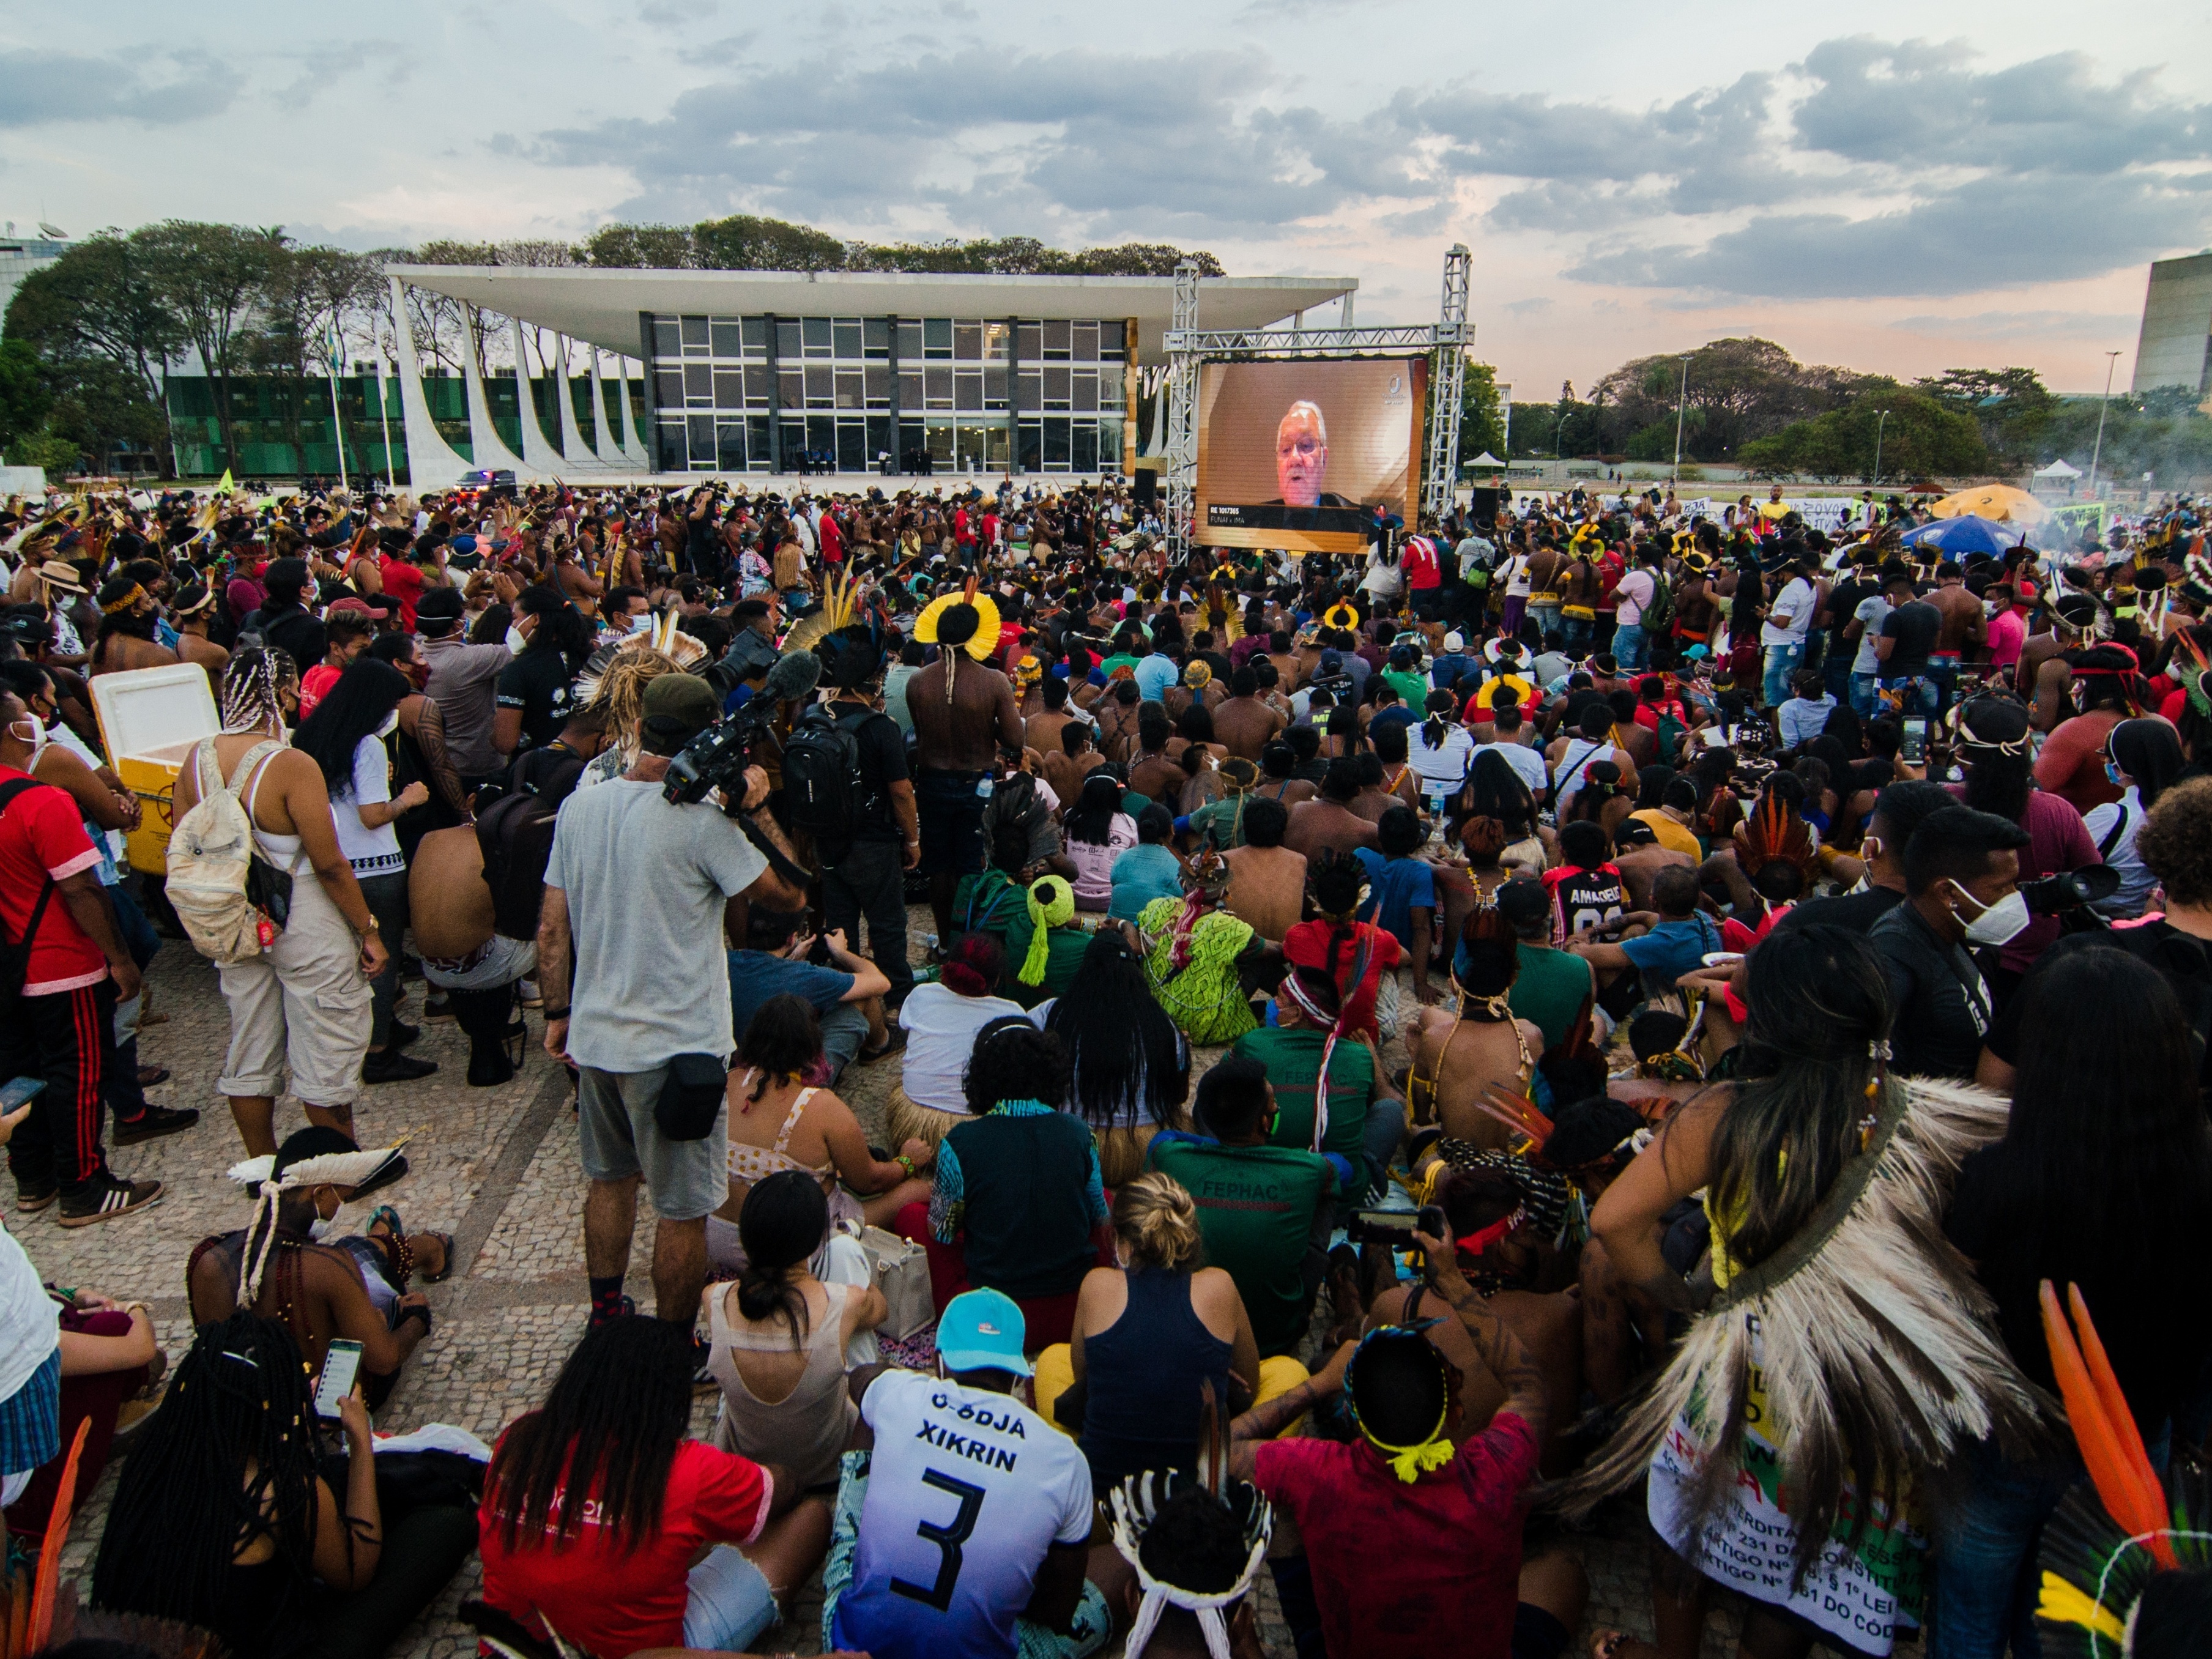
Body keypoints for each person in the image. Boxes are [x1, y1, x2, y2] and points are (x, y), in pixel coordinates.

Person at [1576, 927, 2041, 1659]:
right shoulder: (1925, 1118)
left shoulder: (1726, 1114)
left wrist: (1685, 1296)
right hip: (1855, 1379)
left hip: (1745, 1370)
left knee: (1687, 1525)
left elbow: (1613, 1222)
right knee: (1802, 1561)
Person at [1936, 948, 2212, 1654]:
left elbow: (1953, 1303)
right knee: (2068, 1622)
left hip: (2004, 1435)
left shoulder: (1994, 1177)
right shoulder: (2197, 1178)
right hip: (2130, 1442)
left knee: (1968, 1618)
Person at [537, 671, 803, 1340]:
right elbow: (790, 895)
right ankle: (669, 1345)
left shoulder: (580, 808)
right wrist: (756, 808)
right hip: (679, 1051)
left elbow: (550, 929)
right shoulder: (704, 825)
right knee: (681, 1210)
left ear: (639, 729)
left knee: (609, 1181)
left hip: (597, 1043)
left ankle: (605, 1318)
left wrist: (557, 1013)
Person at [1227, 1238, 1551, 1659]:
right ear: (1454, 1410)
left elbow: (1224, 1448)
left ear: (1354, 1420)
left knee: (1281, 1504)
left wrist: (1319, 1384)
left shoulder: (1318, 1471)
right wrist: (1453, 1280)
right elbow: (1528, 1386)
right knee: (1563, 1571)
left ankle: (1308, 1628)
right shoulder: (1498, 1467)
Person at [91, 1311, 475, 1659]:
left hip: (149, 1645)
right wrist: (360, 1441)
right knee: (446, 1526)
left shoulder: (152, 1458)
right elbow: (355, 1571)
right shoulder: (277, 1489)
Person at [478, 1315, 823, 1658]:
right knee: (811, 1519)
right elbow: (779, 1493)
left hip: (510, 1649)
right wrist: (782, 1476)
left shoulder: (517, 1439)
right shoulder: (684, 1470)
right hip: (644, 1652)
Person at [171, 648, 388, 1159]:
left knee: (250, 1043)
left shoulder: (197, 759)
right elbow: (330, 863)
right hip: (303, 912)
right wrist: (368, 930)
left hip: (233, 915)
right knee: (326, 1041)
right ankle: (336, 1165)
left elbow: (182, 843)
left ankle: (261, 1166)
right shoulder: (289, 764)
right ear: (286, 694)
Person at [823, 1289, 1110, 1659]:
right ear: (1017, 1378)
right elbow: (1056, 1612)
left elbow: (863, 1377)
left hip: (852, 1646)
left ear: (938, 1362)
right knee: (1119, 1566)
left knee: (873, 1413)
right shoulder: (1064, 1459)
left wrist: (917, 1390)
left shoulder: (902, 1394)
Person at [0, 687, 163, 1223]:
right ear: (15, 730)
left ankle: (34, 1180)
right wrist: (120, 959)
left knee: (19, 1071)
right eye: (28, 715)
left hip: (8, 969)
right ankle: (84, 1187)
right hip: (61, 963)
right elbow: (82, 889)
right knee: (78, 1072)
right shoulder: (40, 800)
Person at [1033, 1173, 1262, 1491]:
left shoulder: (1097, 1285)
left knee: (1050, 1361)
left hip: (1106, 1498)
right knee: (1288, 1372)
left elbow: (1084, 1377)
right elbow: (1250, 1387)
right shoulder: (1220, 1285)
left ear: (1122, 1243)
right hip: (1199, 1502)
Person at [292, 658, 438, 1085]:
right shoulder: (369, 745)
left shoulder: (310, 739)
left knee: (351, 956)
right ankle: (378, 1052)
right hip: (378, 867)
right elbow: (373, 815)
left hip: (334, 863)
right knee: (382, 959)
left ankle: (378, 1027)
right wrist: (409, 798)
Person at [713, 993, 933, 1268]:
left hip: (719, 1240)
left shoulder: (727, 1082)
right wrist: (907, 1161)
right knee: (918, 1190)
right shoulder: (822, 1107)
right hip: (798, 1249)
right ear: (812, 1044)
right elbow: (870, 1182)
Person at [927, 1017, 1108, 1348]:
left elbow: (942, 1232)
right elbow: (1099, 1216)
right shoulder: (1079, 1133)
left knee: (912, 1217)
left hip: (993, 1317)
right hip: (1072, 1312)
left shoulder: (960, 1142)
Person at [1148, 1052, 1337, 1362]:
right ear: (1265, 1123)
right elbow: (1341, 1168)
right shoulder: (1307, 1170)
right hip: (1275, 1340)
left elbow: (1163, 1140)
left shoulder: (1170, 1158)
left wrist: (1209, 1146)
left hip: (1189, 1334)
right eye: (1274, 1109)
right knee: (1327, 1196)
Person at [707, 1169, 888, 1491]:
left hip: (748, 1467)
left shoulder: (714, 1299)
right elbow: (880, 1309)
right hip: (827, 1470)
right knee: (847, 1259)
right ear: (816, 1241)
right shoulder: (847, 1304)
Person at [812, 628, 921, 1006]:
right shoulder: (880, 728)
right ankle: (895, 996)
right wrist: (912, 840)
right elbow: (901, 791)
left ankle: (846, 996)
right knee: (887, 924)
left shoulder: (813, 718)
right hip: (874, 841)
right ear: (873, 682)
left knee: (840, 925)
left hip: (828, 841)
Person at [910, 587, 1026, 941]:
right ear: (976, 637)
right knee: (972, 867)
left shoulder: (918, 682)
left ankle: (946, 942)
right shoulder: (994, 681)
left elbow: (921, 735)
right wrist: (985, 724)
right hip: (977, 785)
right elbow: (1015, 740)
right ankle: (969, 943)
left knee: (939, 868)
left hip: (931, 782)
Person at [1232, 965, 1401, 1204]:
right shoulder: (1359, 1056)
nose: (1272, 1004)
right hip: (1345, 1197)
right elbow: (1376, 1101)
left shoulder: (1253, 1043)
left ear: (1297, 1014)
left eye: (1279, 999)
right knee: (1391, 1110)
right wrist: (1372, 1058)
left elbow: (1220, 1089)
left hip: (1268, 1190)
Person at [1045, 929, 1192, 1184]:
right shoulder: (1162, 1024)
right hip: (1144, 1150)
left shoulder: (1054, 1014)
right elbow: (1180, 1096)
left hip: (1073, 1147)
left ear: (1084, 970)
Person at [727, 909, 896, 1080]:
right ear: (792, 938)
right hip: (790, 1082)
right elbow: (881, 983)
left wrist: (789, 960)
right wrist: (841, 953)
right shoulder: (804, 975)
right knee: (861, 995)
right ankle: (881, 1044)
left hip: (736, 1070)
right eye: (803, 930)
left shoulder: (727, 961)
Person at [414, 584, 511, 797]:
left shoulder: (417, 646)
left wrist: (463, 596)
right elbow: (519, 645)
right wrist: (515, 600)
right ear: (457, 625)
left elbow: (429, 619)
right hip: (476, 767)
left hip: (437, 763)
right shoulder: (470, 660)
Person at [2080, 715, 2183, 915]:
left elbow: (2065, 861)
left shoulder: (2112, 817)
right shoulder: (2190, 811)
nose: (2104, 762)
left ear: (2122, 768)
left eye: (2106, 756)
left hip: (2104, 919)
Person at [1064, 771, 1138, 913]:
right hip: (1111, 900)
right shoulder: (1128, 822)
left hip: (1073, 897)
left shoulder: (1071, 817)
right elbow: (1133, 857)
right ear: (1115, 797)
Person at [1109, 802, 1184, 922]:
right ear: (1172, 830)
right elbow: (1183, 893)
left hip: (1115, 927)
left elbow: (1115, 882)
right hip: (1154, 929)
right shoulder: (1180, 863)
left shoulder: (1122, 858)